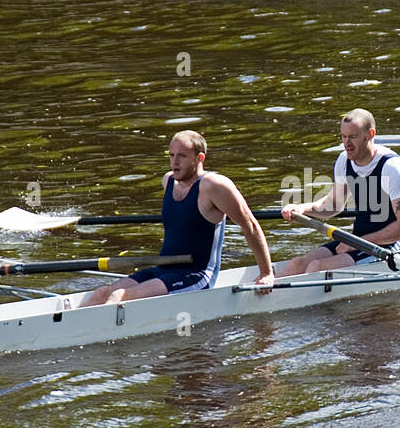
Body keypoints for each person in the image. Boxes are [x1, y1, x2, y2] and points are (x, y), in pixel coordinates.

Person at [78, 130, 274, 306]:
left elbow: (250, 226)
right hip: (163, 269)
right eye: (172, 155)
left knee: (121, 296)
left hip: (195, 275)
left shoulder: (214, 186)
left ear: (199, 158)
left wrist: (266, 273)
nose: (175, 162)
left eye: (182, 156)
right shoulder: (168, 181)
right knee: (101, 293)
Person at [278, 108, 400, 275]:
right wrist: (302, 209)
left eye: (353, 137)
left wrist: (359, 242)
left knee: (317, 267)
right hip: (357, 240)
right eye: (344, 137)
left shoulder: (393, 168)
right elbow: (334, 205)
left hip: (390, 246)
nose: (347, 143)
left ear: (370, 134)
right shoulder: (344, 160)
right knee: (297, 264)